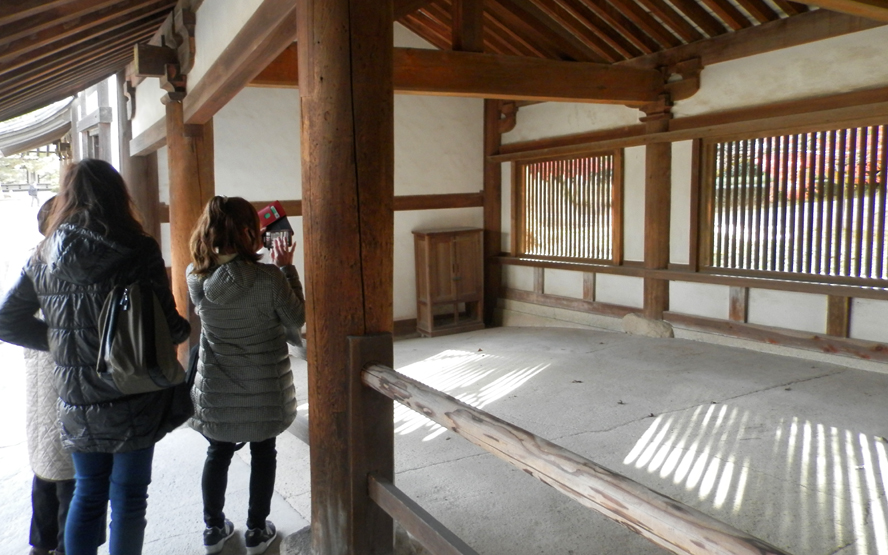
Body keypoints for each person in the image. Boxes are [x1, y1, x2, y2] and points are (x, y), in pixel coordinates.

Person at [0, 158, 191, 555]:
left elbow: (6, 320)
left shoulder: (43, 253)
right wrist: (180, 332)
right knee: (129, 500)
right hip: (133, 391)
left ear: (67, 197)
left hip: (77, 395)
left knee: (87, 494)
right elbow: (171, 326)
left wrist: (63, 344)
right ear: (117, 194)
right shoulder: (138, 248)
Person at [187, 196, 305, 555]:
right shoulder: (269, 278)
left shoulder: (195, 277)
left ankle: (213, 529)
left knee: (217, 451)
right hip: (264, 386)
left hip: (217, 386)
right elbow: (296, 319)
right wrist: (286, 268)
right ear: (248, 232)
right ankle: (256, 531)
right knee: (264, 451)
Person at [24, 196, 75, 555]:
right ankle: (66, 546)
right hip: (63, 370)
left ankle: (42, 544)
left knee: (47, 461)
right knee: (72, 471)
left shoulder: (34, 258)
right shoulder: (71, 260)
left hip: (41, 370)